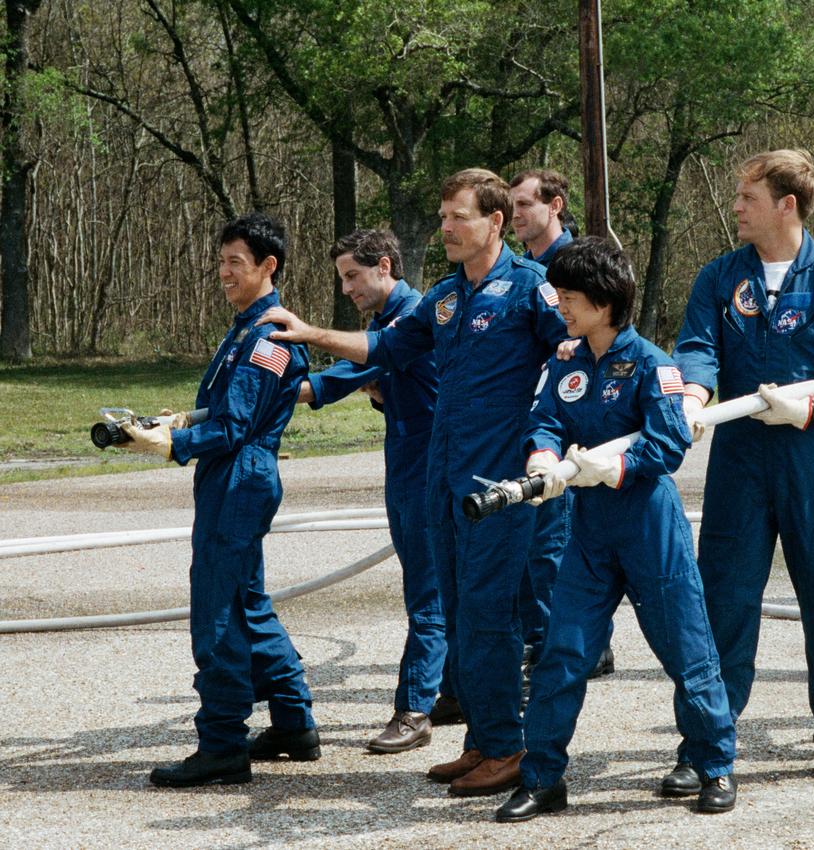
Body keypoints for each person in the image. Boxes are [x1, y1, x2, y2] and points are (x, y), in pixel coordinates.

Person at [258, 169, 566, 797]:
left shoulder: (531, 288)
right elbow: (383, 348)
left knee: (489, 614)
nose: (445, 228)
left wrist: (550, 441)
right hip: (441, 479)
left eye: (458, 217)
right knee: (455, 612)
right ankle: (482, 740)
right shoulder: (445, 298)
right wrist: (312, 334)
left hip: (499, 483)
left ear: (495, 222)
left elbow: (574, 354)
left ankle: (509, 748)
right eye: (443, 216)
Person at [672, 149, 814, 787]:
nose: (736, 208)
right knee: (724, 600)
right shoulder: (719, 277)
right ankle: (705, 744)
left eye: (748, 197)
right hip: (740, 462)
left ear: (786, 205)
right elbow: (697, 347)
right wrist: (694, 396)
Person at [496, 237, 738, 822]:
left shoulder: (654, 364)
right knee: (563, 652)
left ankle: (714, 765)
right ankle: (543, 778)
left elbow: (670, 441)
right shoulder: (565, 361)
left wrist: (618, 467)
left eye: (570, 298)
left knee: (687, 649)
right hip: (588, 530)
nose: (560, 307)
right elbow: (544, 419)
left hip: (649, 524)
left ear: (603, 304)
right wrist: (542, 457)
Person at [126, 212, 319, 787]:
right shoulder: (245, 328)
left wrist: (172, 444)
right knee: (247, 601)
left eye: (236, 262)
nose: (224, 272)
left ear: (268, 266)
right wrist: (182, 420)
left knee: (218, 610)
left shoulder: (268, 338)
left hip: (240, 476)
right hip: (233, 475)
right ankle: (293, 724)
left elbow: (237, 426)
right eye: (220, 261)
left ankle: (222, 745)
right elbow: (230, 408)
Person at [296, 229, 444, 754]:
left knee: (427, 593)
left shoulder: (410, 320)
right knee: (435, 587)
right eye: (342, 278)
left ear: (385, 266)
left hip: (429, 467)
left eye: (352, 276)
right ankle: (457, 692)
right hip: (405, 463)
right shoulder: (385, 322)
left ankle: (415, 709)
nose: (346, 288)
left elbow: (338, 377)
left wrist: (270, 391)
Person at [510, 169, 613, 683]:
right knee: (533, 546)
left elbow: (605, 341)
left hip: (573, 426)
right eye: (511, 206)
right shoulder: (518, 272)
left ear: (555, 205)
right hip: (532, 425)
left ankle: (578, 647)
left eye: (525, 204)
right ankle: (548, 642)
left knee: (557, 545)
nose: (515, 215)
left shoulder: (580, 265)